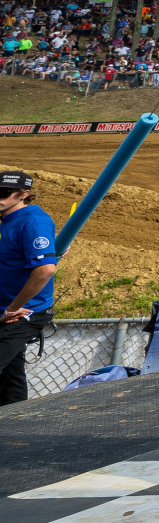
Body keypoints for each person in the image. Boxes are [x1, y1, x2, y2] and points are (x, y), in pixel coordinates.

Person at [0, 170, 57, 405]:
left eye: (4, 193)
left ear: (24, 194)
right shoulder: (6, 220)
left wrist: (14, 307)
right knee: (9, 378)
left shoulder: (33, 221)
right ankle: (15, 428)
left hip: (21, 313)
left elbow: (45, 269)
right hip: (5, 310)